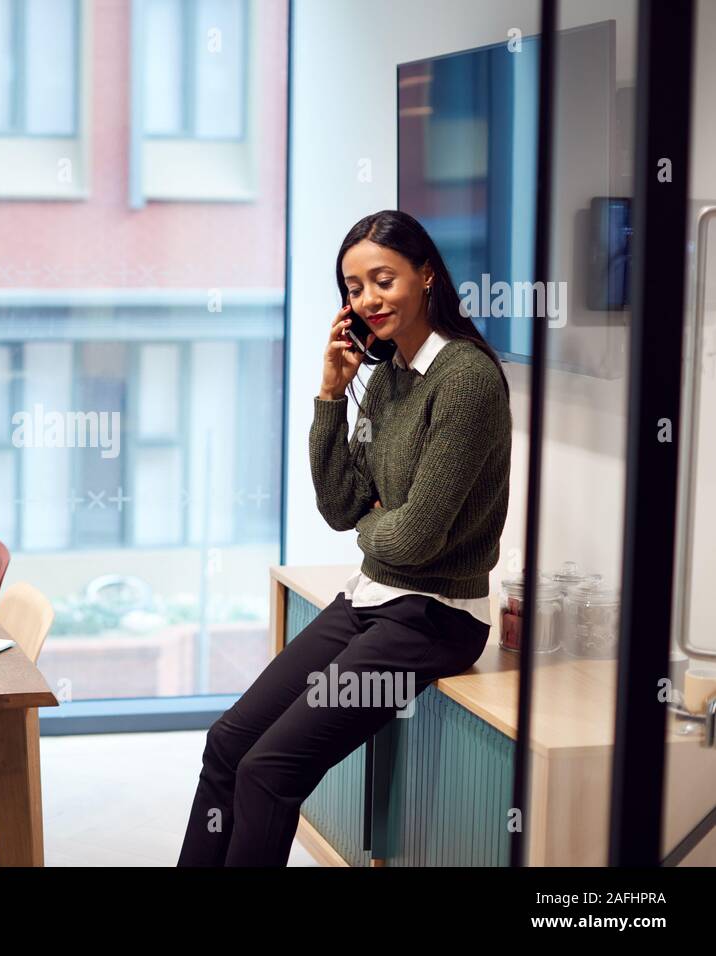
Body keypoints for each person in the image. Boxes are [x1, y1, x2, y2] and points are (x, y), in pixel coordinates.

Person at [177, 209, 512, 867]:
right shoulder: (386, 374)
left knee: (268, 770)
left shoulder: (465, 379)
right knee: (227, 743)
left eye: (382, 280)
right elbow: (339, 504)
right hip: (371, 599)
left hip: (434, 619)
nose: (367, 300)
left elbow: (415, 537)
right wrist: (332, 393)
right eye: (354, 288)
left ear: (426, 275)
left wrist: (379, 522)